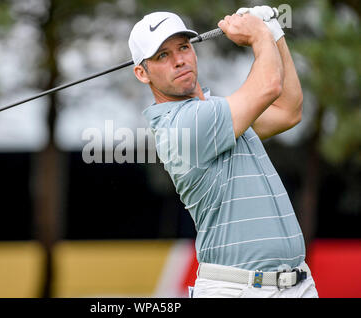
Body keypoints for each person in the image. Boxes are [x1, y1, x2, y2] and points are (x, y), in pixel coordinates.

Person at [128, 6, 319, 298]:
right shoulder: (183, 126)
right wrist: (259, 35)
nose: (179, 60)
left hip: (296, 284)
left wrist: (274, 33)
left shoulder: (219, 114)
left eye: (183, 47)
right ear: (142, 73)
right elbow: (269, 85)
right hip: (238, 289)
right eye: (162, 56)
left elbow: (288, 110)